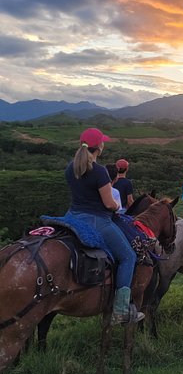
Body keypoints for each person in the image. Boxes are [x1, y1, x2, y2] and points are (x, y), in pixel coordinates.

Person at [65, 128, 144, 324]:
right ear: (99, 147)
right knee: (128, 256)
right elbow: (109, 204)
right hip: (97, 221)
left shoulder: (71, 168)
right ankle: (120, 310)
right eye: (103, 142)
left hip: (71, 217)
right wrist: (117, 205)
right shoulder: (99, 171)